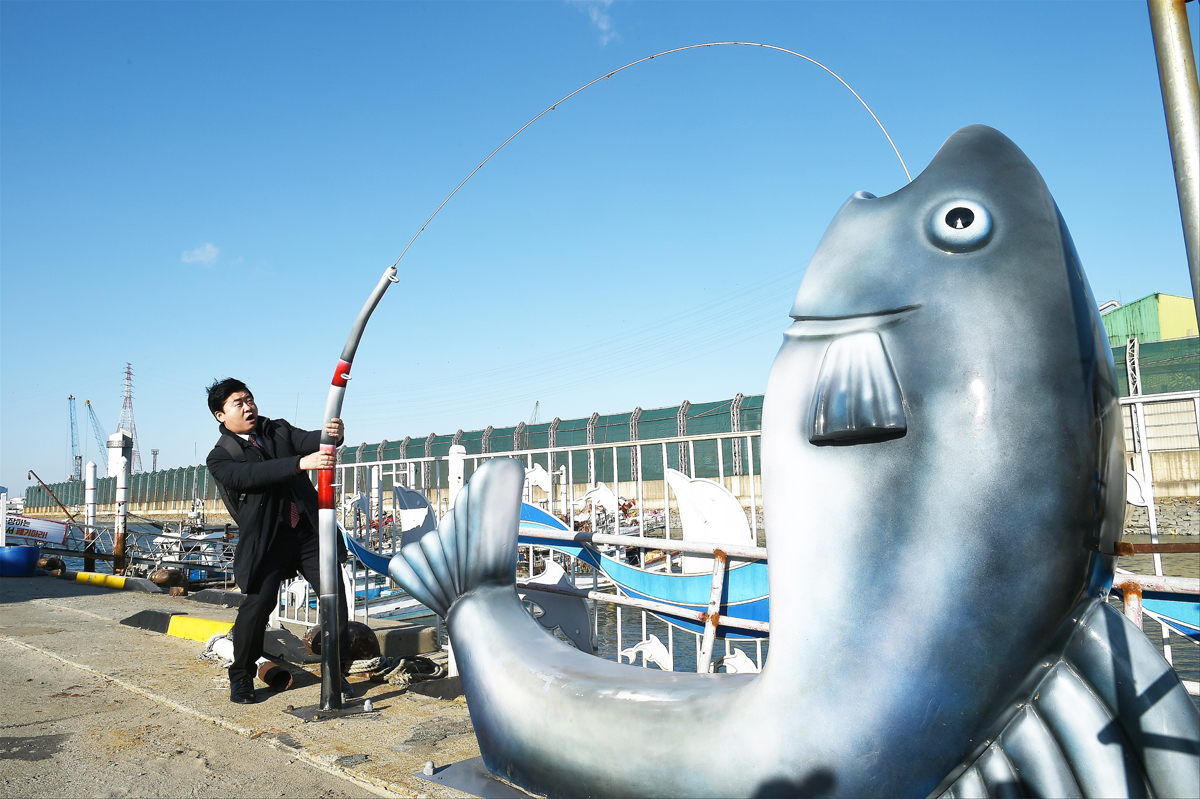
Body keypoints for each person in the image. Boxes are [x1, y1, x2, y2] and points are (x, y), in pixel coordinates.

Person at [205, 377, 349, 704]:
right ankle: (241, 676)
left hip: (309, 531)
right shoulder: (221, 456)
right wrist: (300, 464)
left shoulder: (278, 430)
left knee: (334, 599)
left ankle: (337, 674)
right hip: (269, 540)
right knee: (257, 607)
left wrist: (332, 435)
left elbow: (313, 440)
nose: (249, 407)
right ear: (221, 415)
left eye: (250, 399)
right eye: (238, 404)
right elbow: (250, 477)